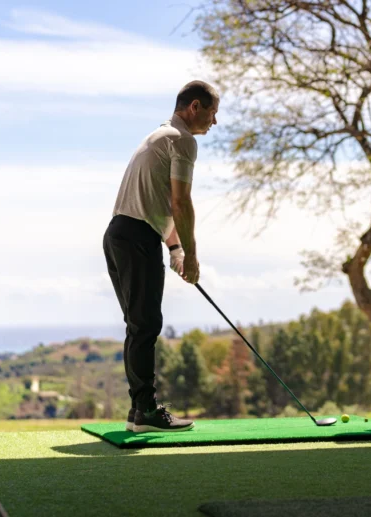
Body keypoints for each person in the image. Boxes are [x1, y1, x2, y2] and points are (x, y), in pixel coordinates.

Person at [103, 81, 218, 433]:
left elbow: (161, 205)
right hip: (136, 237)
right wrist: (194, 257)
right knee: (146, 325)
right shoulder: (183, 140)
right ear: (194, 107)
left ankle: (138, 410)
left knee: (138, 325)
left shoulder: (159, 135)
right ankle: (147, 412)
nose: (215, 123)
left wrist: (176, 250)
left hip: (120, 233)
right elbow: (181, 203)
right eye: (213, 114)